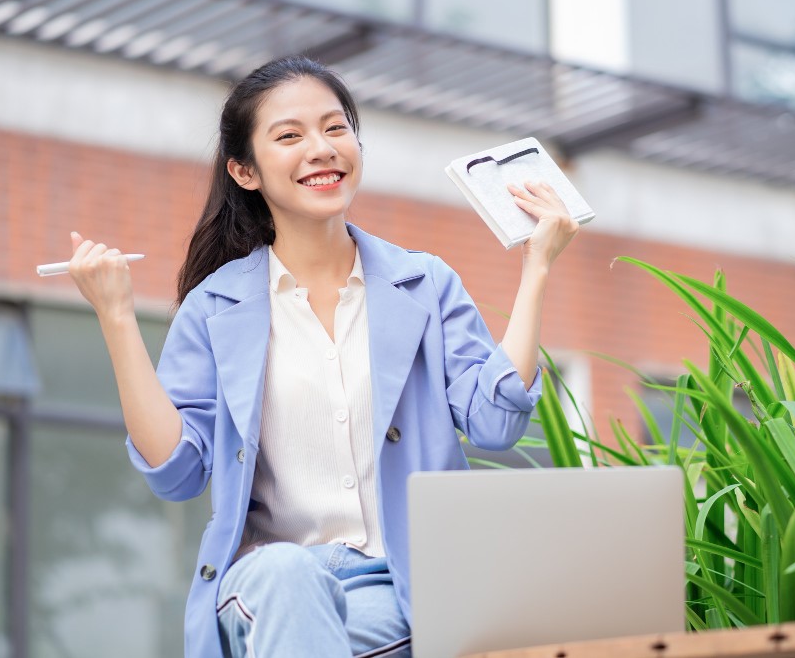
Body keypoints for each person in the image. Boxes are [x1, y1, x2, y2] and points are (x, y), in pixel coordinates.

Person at [67, 55, 578, 658]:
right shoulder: (215, 307)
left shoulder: (426, 285)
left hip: (399, 592)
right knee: (288, 578)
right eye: (290, 136)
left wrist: (537, 268)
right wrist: (117, 318)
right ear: (245, 171)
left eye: (336, 128)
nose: (322, 148)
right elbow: (177, 473)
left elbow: (495, 423)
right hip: (265, 585)